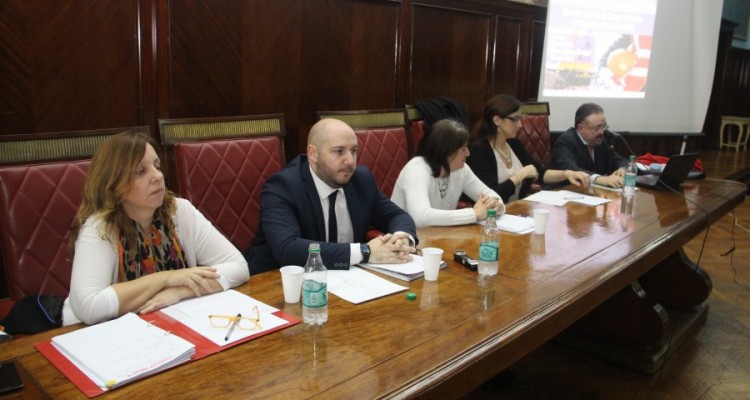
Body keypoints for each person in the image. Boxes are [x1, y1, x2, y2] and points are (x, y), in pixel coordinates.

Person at [64, 131, 249, 326]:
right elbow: (88, 306)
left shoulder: (179, 211)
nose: (158, 176)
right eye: (141, 172)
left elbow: (238, 267)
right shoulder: (99, 228)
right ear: (114, 184)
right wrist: (167, 278)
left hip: (171, 325)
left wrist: (178, 291)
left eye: (157, 166)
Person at [244, 118, 417, 275]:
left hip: (347, 280)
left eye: (354, 151)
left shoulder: (360, 179)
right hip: (276, 284)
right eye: (339, 151)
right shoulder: (283, 186)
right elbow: (288, 249)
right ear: (313, 154)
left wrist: (401, 239)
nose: (350, 161)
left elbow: (397, 215)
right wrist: (365, 252)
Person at [467, 95, 590, 203]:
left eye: (520, 119)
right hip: (490, 217)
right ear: (497, 120)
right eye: (515, 119)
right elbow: (491, 195)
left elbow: (540, 173)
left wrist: (567, 174)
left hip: (515, 210)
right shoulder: (479, 150)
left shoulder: (513, 143)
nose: (520, 125)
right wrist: (519, 176)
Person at [391, 119, 505, 229]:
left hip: (441, 236)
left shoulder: (461, 169)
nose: (468, 153)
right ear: (446, 151)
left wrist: (496, 205)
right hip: (408, 240)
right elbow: (420, 218)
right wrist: (474, 214)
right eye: (463, 149)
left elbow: (492, 196)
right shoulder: (417, 169)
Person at [551, 102, 628, 188]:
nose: (602, 131)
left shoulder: (600, 140)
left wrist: (622, 168)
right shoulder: (566, 141)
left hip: (592, 192)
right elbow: (571, 169)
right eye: (597, 128)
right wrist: (600, 179)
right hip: (565, 191)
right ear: (581, 129)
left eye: (604, 126)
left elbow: (617, 159)